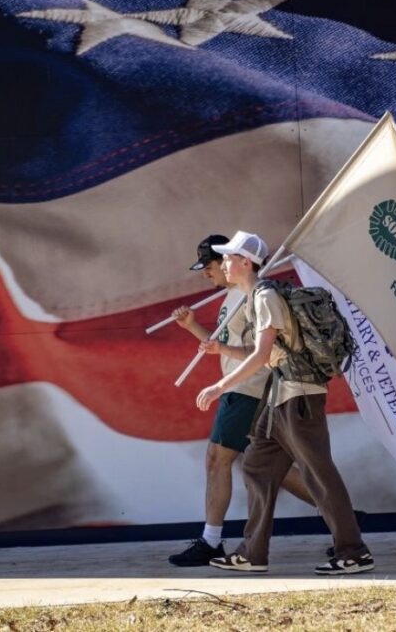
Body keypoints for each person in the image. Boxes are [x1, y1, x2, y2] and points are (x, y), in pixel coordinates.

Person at [197, 230, 374, 575]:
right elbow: (264, 352)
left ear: (245, 262)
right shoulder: (254, 298)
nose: (224, 264)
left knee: (319, 473)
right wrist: (223, 351)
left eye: (229, 257)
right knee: (257, 468)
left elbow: (262, 354)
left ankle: (353, 551)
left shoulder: (264, 297)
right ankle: (252, 553)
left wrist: (220, 385)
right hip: (279, 395)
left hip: (299, 395)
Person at [167, 235, 317, 566]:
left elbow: (257, 352)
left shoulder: (251, 296)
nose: (209, 273)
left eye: (211, 265)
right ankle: (341, 515)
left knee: (217, 459)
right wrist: (192, 327)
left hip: (245, 388)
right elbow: (223, 346)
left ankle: (211, 541)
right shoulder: (234, 296)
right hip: (245, 387)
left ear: (235, 261)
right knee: (271, 464)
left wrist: (221, 385)